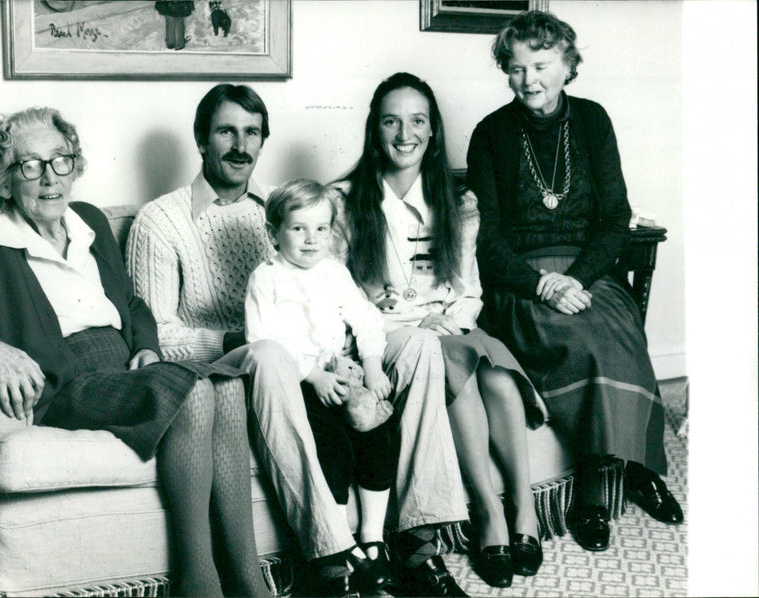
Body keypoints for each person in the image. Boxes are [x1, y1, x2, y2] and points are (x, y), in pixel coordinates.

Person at [126, 83, 469, 597]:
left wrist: (362, 361)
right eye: (226, 131)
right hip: (240, 367)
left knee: (418, 346)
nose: (241, 145)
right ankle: (332, 556)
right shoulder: (161, 220)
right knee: (269, 351)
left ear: (263, 140)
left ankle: (420, 539)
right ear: (201, 139)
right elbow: (160, 336)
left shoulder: (288, 210)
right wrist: (257, 342)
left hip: (317, 359)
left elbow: (342, 300)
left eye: (252, 133)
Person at [0, 107, 270, 598]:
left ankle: (249, 581)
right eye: (31, 165)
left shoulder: (88, 222)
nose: (50, 178)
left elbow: (131, 303)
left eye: (60, 161)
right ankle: (199, 584)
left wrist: (146, 348)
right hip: (67, 381)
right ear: (3, 178)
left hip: (126, 368)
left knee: (227, 385)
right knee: (190, 392)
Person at [465, 10, 684, 553]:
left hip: (587, 273)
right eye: (515, 69)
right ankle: (592, 490)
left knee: (620, 324)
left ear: (567, 66)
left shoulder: (592, 120)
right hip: (521, 282)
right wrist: (543, 284)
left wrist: (578, 279)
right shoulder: (490, 133)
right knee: (580, 338)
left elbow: (615, 218)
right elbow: (486, 241)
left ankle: (633, 469)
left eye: (540, 65)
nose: (528, 80)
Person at [332, 71, 547, 589]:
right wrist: (398, 322)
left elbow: (469, 290)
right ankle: (488, 519)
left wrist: (450, 319)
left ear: (432, 133)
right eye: (391, 121)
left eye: (417, 121)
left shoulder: (458, 204)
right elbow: (334, 297)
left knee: (495, 374)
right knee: (455, 361)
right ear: (374, 130)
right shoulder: (343, 201)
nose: (405, 133)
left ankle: (522, 511)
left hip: (448, 328)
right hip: (386, 338)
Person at [245, 178, 398, 594]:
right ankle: (340, 550)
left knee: (380, 432)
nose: (311, 240)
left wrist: (371, 365)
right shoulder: (266, 279)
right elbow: (264, 339)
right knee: (330, 445)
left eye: (321, 229)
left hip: (342, 373)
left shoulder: (334, 272)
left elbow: (366, 318)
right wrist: (312, 374)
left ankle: (373, 538)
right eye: (298, 229)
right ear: (273, 231)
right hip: (299, 385)